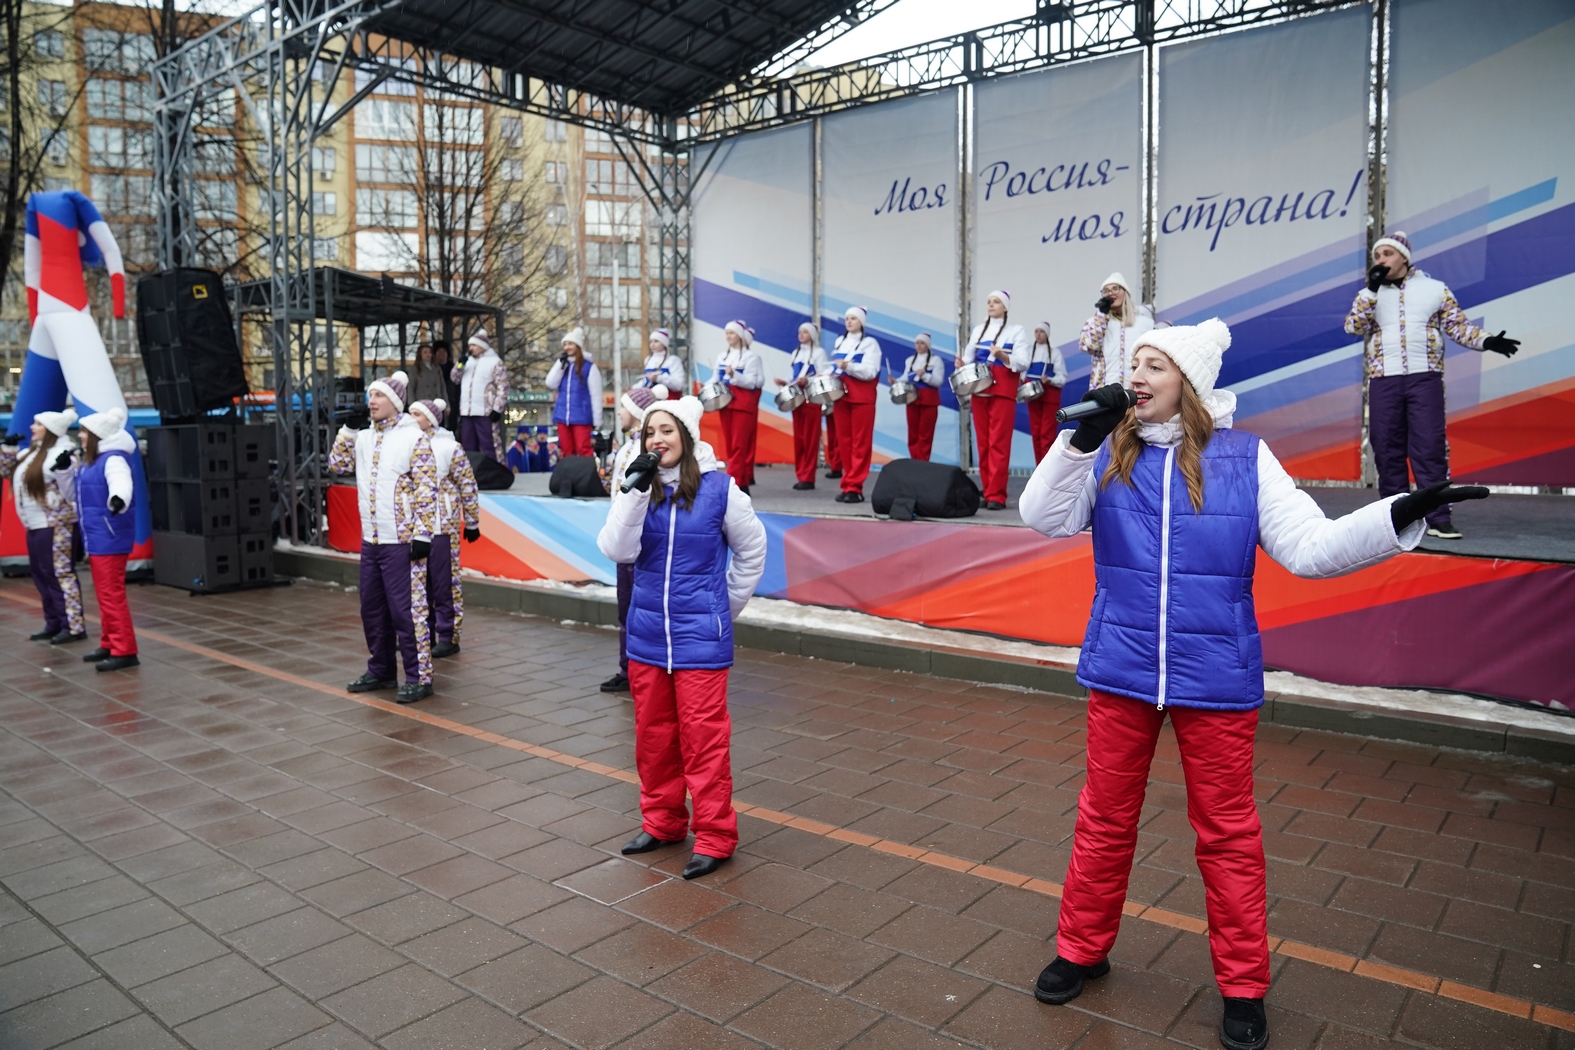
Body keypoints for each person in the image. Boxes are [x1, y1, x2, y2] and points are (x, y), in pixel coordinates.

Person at [1019, 318, 1488, 1050]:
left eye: (1154, 365)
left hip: (1217, 677)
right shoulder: (1106, 450)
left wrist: (1397, 512)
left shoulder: (1245, 458)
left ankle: (1242, 987)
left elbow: (1310, 548)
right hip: (1120, 670)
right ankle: (1081, 949)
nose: (1136, 375)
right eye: (1133, 363)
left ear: (1189, 383)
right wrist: (1079, 439)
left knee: (1228, 835)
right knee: (1103, 819)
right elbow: (1042, 516)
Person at [596, 395, 766, 879]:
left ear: (686, 436)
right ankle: (663, 823)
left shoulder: (721, 489)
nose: (657, 439)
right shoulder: (639, 486)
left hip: (700, 641)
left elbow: (752, 551)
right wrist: (633, 493)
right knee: (653, 739)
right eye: (650, 432)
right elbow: (616, 549)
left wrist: (723, 609)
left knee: (703, 743)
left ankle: (715, 836)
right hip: (647, 637)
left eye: (666, 430)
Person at [1344, 230, 1519, 540]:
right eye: (1377, 256)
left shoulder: (1435, 289)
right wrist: (1371, 289)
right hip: (1384, 380)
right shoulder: (1368, 295)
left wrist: (1488, 340)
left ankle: (1438, 518)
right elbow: (1353, 326)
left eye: (1387, 254)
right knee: (1387, 449)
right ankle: (1396, 521)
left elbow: (1458, 326)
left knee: (1430, 447)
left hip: (1425, 378)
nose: (1381, 259)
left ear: (1404, 257)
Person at [328, 370, 439, 704]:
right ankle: (381, 670)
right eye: (370, 396)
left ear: (394, 402)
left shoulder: (414, 438)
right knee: (372, 609)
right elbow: (337, 465)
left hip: (402, 542)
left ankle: (419, 677)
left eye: (378, 396)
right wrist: (348, 430)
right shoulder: (363, 437)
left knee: (407, 612)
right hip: (372, 540)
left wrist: (423, 534)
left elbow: (427, 488)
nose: (371, 401)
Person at [601, 383, 669, 694]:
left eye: (624, 407)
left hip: (642, 540)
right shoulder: (626, 447)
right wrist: (602, 461)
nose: (619, 412)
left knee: (641, 610)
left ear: (637, 412)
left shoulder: (648, 448)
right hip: (623, 535)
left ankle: (647, 670)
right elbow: (614, 489)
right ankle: (627, 669)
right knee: (626, 608)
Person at [2, 409, 84, 645]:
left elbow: (71, 493)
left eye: (38, 424)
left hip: (57, 524)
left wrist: (65, 469)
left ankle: (73, 626)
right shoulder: (31, 453)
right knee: (40, 573)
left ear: (50, 429)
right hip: (34, 524)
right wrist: (8, 449)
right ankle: (54, 622)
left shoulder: (63, 454)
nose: (32, 427)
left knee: (59, 573)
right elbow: (7, 473)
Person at [411, 398, 480, 660]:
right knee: (420, 585)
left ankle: (448, 635)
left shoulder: (450, 447)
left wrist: (472, 521)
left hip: (442, 527)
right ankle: (423, 635)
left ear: (431, 419)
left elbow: (468, 485)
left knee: (444, 583)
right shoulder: (408, 445)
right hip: (415, 528)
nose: (412, 418)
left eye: (417, 414)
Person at [74, 408, 139, 672]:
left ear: (96, 435)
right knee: (104, 593)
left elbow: (121, 483)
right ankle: (110, 642)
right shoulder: (95, 460)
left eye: (84, 432)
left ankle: (124, 650)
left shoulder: (113, 459)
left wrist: (118, 499)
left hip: (108, 535)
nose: (80, 436)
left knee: (111, 593)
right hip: (99, 535)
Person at [960, 290, 1027, 510]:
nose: (991, 304)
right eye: (989, 301)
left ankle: (997, 494)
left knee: (999, 443)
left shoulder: (1016, 331)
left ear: (1005, 307)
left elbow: (1023, 362)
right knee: (983, 444)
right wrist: (963, 364)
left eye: (996, 302)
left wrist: (1003, 356)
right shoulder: (978, 330)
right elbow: (969, 358)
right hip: (979, 390)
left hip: (1002, 391)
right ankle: (988, 490)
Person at [830, 306, 881, 503]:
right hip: (841, 397)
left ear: (862, 322)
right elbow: (836, 370)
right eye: (847, 318)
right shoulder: (839, 341)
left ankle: (855, 486)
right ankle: (847, 483)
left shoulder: (870, 344)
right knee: (844, 442)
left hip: (862, 397)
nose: (849, 322)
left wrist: (848, 366)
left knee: (860, 443)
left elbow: (870, 372)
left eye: (853, 318)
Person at [776, 321, 830, 489]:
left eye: (805, 332)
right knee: (799, 438)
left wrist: (809, 380)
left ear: (812, 335)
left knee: (810, 438)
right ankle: (801, 474)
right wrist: (785, 382)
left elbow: (823, 374)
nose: (801, 335)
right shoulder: (796, 353)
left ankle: (808, 477)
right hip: (797, 399)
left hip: (811, 398)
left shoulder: (819, 353)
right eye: (800, 332)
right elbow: (793, 375)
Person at [1078, 272, 1154, 390]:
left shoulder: (1145, 323)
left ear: (1125, 292)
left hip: (1135, 388)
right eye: (1106, 290)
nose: (1110, 293)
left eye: (1115, 288)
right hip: (1104, 390)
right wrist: (1101, 316)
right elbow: (1088, 347)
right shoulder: (1094, 322)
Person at [715, 320, 764, 495]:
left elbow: (753, 383)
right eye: (727, 333)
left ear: (740, 335)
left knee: (738, 445)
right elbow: (715, 378)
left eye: (732, 333)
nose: (728, 336)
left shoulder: (752, 357)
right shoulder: (722, 356)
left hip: (742, 403)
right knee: (730, 445)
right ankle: (741, 484)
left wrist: (734, 374)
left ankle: (733, 483)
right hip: (725, 402)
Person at [545, 328, 604, 458]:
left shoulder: (589, 367)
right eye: (565, 344)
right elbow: (550, 383)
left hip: (581, 417)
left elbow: (596, 395)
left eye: (570, 344)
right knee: (566, 451)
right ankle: (569, 471)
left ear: (578, 346)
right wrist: (560, 365)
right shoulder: (563, 365)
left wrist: (597, 421)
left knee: (583, 449)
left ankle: (587, 471)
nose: (567, 347)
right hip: (562, 416)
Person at [452, 329, 508, 461]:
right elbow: (454, 378)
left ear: (482, 347)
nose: (471, 348)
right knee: (468, 446)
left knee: (489, 444)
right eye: (470, 345)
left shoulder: (495, 362)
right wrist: (460, 365)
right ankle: (471, 470)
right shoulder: (467, 362)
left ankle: (494, 469)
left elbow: (503, 386)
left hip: (485, 411)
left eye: (474, 345)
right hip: (467, 411)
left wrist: (497, 408)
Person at [1026, 320, 1070, 462]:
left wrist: (1050, 380)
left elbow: (1062, 378)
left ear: (1047, 334)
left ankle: (1047, 467)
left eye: (1042, 331)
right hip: (1033, 398)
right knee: (1036, 434)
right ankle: (1038, 467)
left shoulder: (1055, 353)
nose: (1038, 334)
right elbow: (1022, 373)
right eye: (1036, 331)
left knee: (1047, 434)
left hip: (1050, 398)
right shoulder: (1028, 352)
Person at [899, 332, 945, 461]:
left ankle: (923, 461)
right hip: (912, 399)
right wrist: (896, 381)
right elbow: (905, 377)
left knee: (925, 434)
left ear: (928, 345)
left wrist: (924, 376)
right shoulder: (909, 360)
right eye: (917, 343)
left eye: (922, 343)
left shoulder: (936, 360)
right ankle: (914, 461)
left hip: (929, 400)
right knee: (912, 433)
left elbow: (938, 381)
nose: (919, 346)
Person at [638, 328, 687, 397]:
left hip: (669, 400)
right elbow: (645, 382)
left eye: (656, 341)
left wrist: (658, 378)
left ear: (664, 343)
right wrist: (633, 389)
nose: (652, 345)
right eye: (651, 342)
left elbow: (679, 385)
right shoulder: (648, 360)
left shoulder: (673, 360)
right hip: (651, 400)